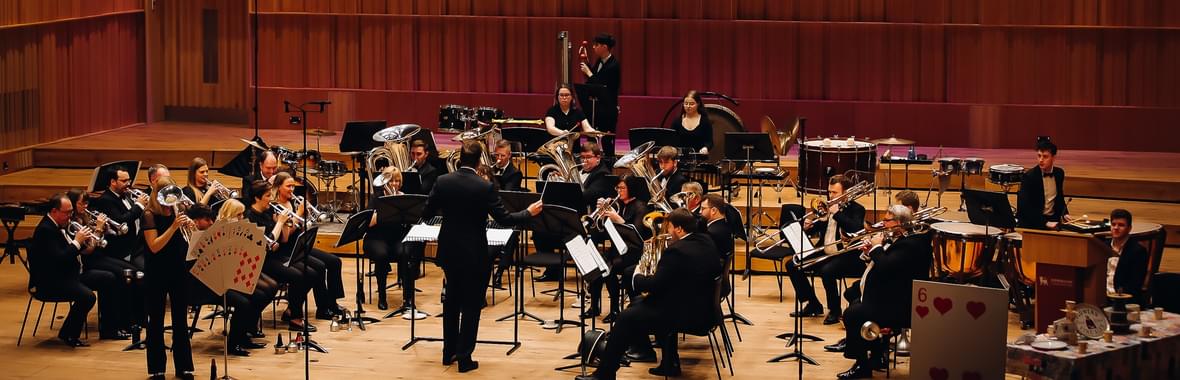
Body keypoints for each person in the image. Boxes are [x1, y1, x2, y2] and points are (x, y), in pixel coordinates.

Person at [423, 141, 543, 372]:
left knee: (451, 301)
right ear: (480, 160)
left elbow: (427, 213)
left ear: (460, 158)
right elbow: (505, 219)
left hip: (449, 250)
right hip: (473, 252)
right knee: (470, 305)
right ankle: (465, 358)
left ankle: (448, 353)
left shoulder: (443, 181)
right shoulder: (484, 186)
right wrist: (528, 212)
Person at [576, 209, 722, 380]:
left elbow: (653, 286)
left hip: (688, 315)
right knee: (637, 303)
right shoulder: (705, 240)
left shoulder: (676, 251)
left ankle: (605, 373)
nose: (667, 232)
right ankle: (668, 362)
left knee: (625, 317)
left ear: (680, 229)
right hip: (705, 309)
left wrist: (638, 275)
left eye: (670, 228)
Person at [835, 205, 932, 379]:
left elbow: (886, 266)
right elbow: (884, 263)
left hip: (900, 305)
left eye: (886, 220)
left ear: (899, 223)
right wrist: (869, 252)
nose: (882, 224)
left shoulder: (911, 244)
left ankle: (862, 366)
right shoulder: (898, 238)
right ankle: (877, 354)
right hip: (888, 296)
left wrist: (876, 248)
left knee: (853, 314)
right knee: (855, 301)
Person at [29, 193, 119, 347]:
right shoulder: (46, 230)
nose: (70, 216)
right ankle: (68, 334)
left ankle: (109, 329)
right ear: (54, 211)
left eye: (71, 212)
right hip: (51, 282)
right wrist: (77, 242)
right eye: (67, 213)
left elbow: (78, 251)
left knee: (109, 278)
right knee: (88, 297)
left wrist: (89, 238)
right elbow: (60, 259)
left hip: (70, 276)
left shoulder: (61, 226)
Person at [183, 204, 269, 356]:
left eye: (212, 219)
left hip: (217, 279)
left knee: (258, 294)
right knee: (243, 303)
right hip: (199, 286)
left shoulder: (211, 233)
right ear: (195, 221)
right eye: (207, 220)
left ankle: (244, 335)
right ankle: (233, 343)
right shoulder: (186, 237)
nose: (211, 222)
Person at [785, 175, 867, 325]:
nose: (830, 196)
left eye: (835, 193)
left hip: (846, 254)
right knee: (792, 264)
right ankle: (813, 303)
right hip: (826, 250)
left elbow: (856, 229)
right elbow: (819, 228)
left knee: (827, 271)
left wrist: (837, 214)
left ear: (846, 193)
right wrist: (808, 227)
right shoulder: (827, 207)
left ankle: (835, 310)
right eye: (829, 192)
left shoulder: (857, 209)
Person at [243, 180, 317, 332]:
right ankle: (296, 318)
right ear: (257, 198)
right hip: (261, 261)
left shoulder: (269, 211)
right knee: (298, 276)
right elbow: (264, 243)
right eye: (268, 195)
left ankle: (291, 309)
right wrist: (278, 224)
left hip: (275, 255)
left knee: (310, 273)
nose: (271, 198)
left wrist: (284, 223)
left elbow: (283, 239)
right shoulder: (250, 216)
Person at [271, 172, 347, 319]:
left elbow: (302, 228)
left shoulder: (292, 202)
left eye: (293, 186)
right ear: (278, 187)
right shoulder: (276, 207)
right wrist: (298, 214)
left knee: (334, 261)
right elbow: (285, 237)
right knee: (319, 267)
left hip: (300, 244)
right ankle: (320, 307)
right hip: (288, 250)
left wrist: (305, 217)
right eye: (288, 186)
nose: (292, 189)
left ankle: (332, 302)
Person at [141, 177, 195, 379]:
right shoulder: (148, 215)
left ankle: (184, 366)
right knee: (155, 321)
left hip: (178, 271)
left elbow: (187, 242)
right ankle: (157, 369)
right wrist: (173, 227)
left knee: (180, 320)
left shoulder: (176, 211)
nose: (171, 199)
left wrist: (189, 226)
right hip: (157, 273)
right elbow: (154, 246)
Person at [67, 189, 134, 340]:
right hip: (87, 263)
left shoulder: (85, 216)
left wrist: (104, 228)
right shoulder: (71, 224)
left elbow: (106, 238)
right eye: (81, 203)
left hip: (99, 256)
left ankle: (128, 321)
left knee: (130, 271)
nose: (85, 206)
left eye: (86, 202)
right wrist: (97, 229)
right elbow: (88, 250)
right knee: (116, 277)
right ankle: (112, 326)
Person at [586, 175, 651, 322]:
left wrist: (618, 220)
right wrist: (602, 214)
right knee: (597, 265)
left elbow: (638, 234)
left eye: (622, 188)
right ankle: (594, 307)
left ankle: (615, 309)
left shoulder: (641, 206)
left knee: (610, 269)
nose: (619, 191)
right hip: (618, 248)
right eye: (617, 188)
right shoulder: (618, 204)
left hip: (634, 251)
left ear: (631, 189)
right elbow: (602, 231)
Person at [362, 167, 417, 314]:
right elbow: (368, 223)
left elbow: (409, 220)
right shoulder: (376, 198)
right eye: (391, 180)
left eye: (397, 180)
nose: (394, 184)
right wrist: (385, 209)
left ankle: (408, 298)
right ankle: (382, 297)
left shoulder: (403, 197)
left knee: (405, 253)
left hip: (397, 236)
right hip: (377, 237)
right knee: (381, 255)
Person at [579, 33, 620, 158]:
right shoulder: (599, 61)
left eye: (596, 45)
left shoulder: (614, 65)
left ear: (605, 47)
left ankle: (608, 168)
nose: (593, 47)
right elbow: (595, 81)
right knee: (591, 138)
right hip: (596, 107)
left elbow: (602, 87)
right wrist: (587, 64)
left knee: (607, 141)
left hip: (608, 109)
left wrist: (589, 73)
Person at [1017, 137, 1070, 229]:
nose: (1041, 160)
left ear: (1053, 157)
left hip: (1053, 220)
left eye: (1045, 156)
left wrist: (1064, 213)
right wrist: (1045, 223)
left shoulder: (1059, 173)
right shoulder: (1029, 177)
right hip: (1033, 222)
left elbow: (1059, 197)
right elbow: (1024, 208)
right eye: (1039, 156)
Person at [1106, 209, 1149, 304]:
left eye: (1121, 225)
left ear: (1129, 228)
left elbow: (1135, 284)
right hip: (1102, 298)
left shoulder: (1138, 251)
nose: (1116, 228)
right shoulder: (1102, 246)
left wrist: (1117, 297)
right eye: (1113, 224)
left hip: (1124, 301)